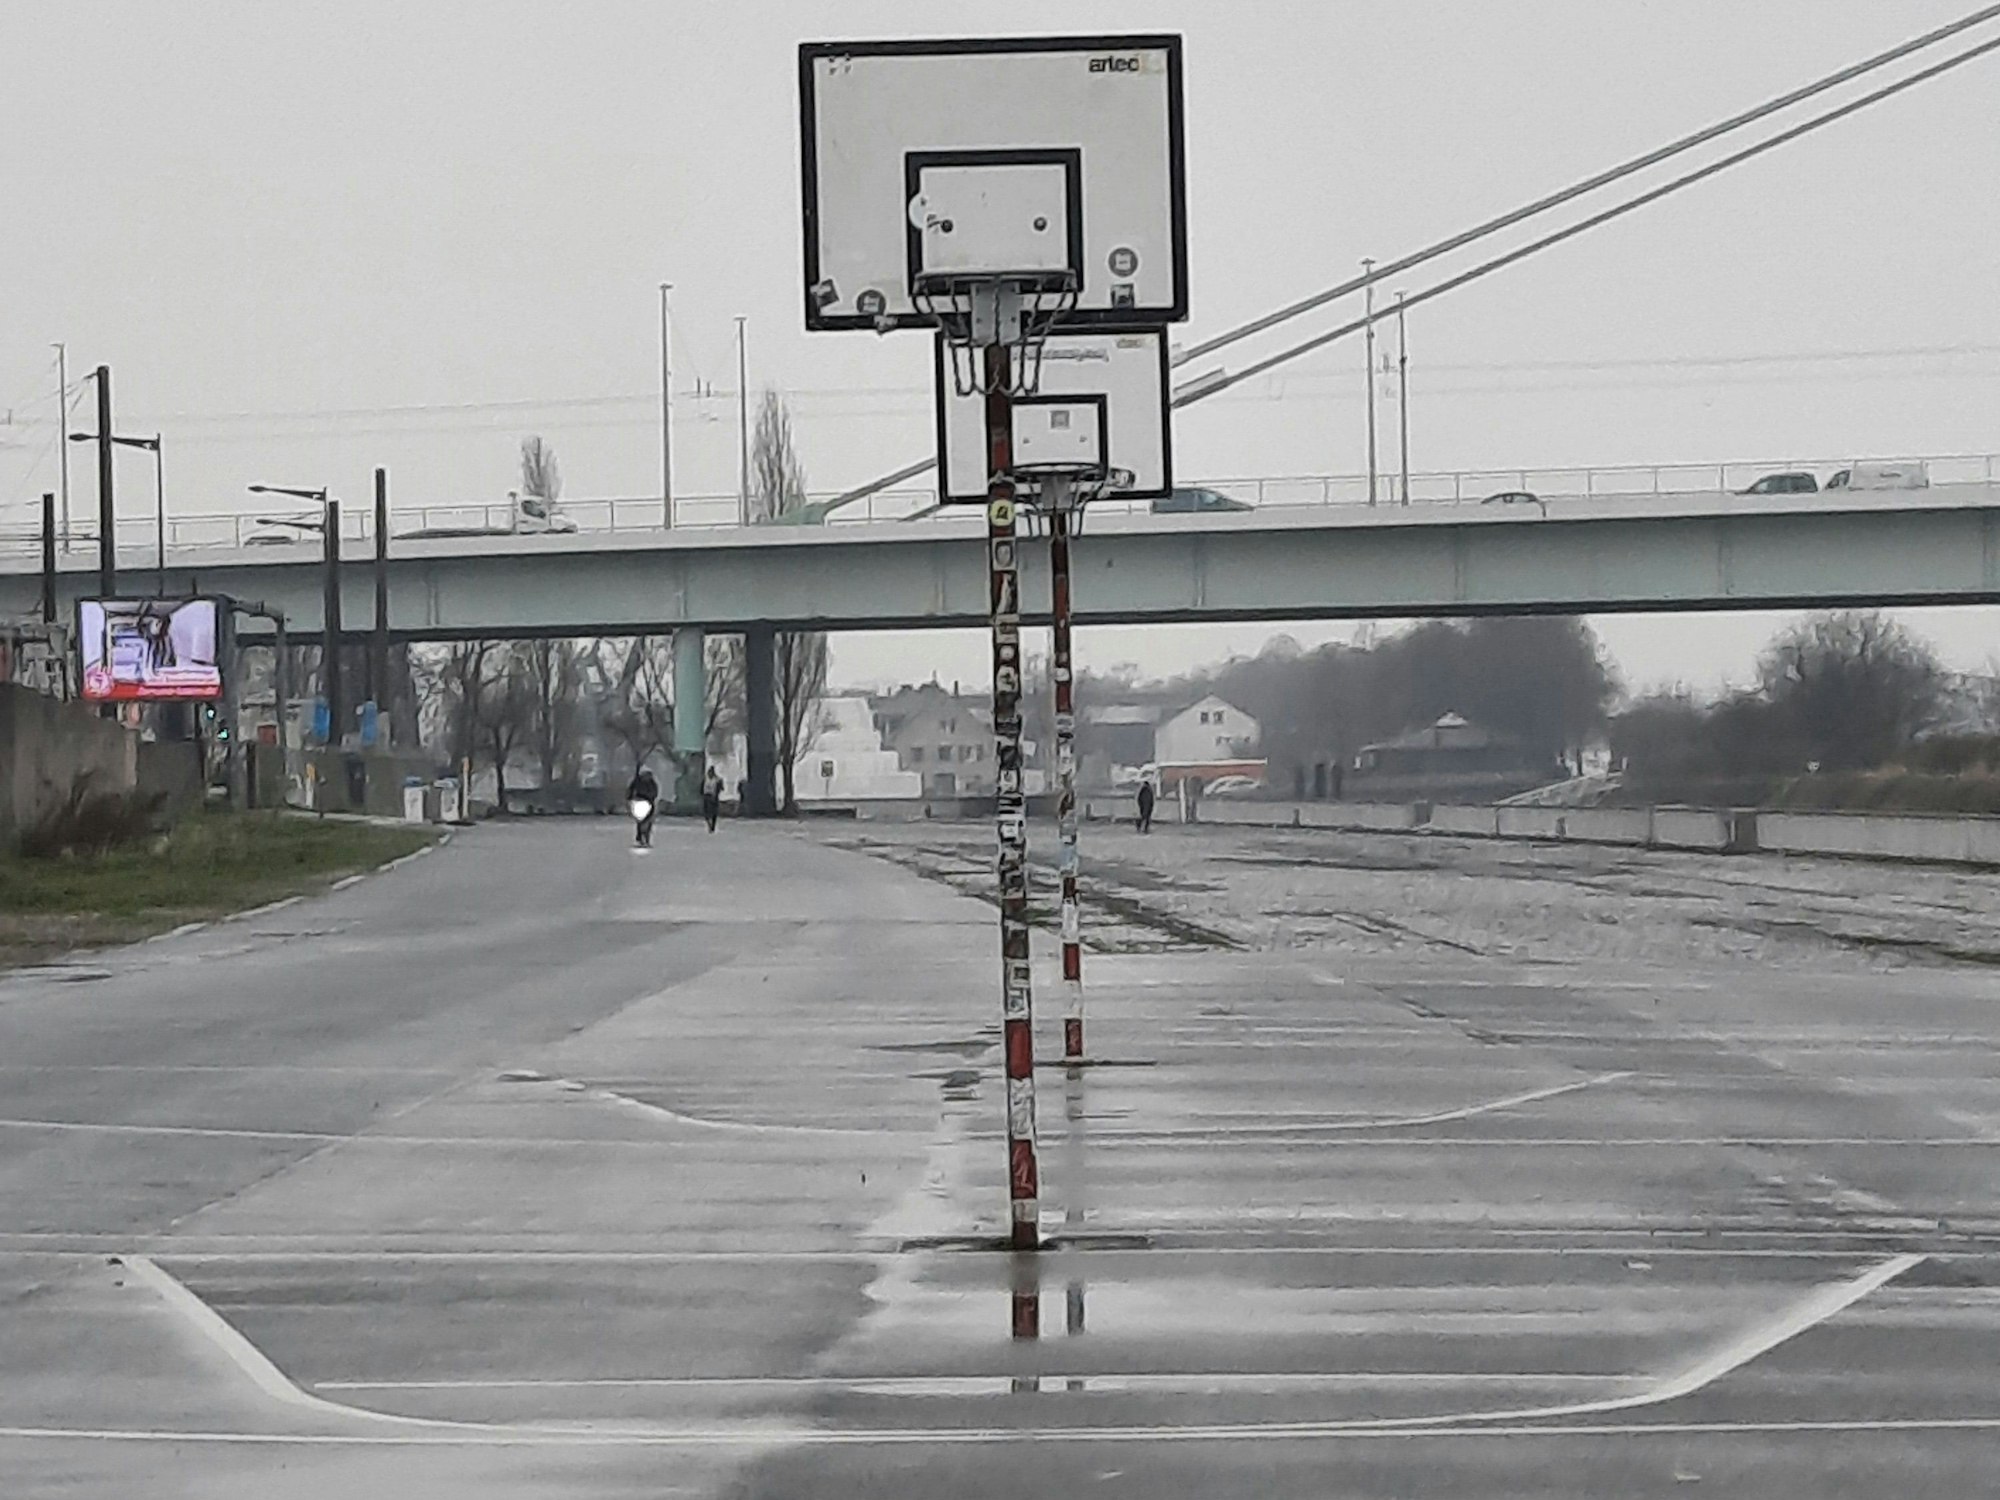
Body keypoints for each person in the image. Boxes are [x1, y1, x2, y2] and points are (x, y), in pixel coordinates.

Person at [627, 764, 660, 847]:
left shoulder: (652, 783)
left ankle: (646, 838)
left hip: (649, 802)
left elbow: (655, 792)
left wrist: (652, 798)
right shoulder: (637, 781)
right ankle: (640, 838)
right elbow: (630, 790)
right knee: (641, 822)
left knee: (648, 821)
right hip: (639, 801)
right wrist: (630, 799)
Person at [701, 766, 724, 833]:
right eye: (709, 773)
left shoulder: (717, 780)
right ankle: (709, 823)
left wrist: (720, 783)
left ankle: (712, 826)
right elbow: (701, 787)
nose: (709, 774)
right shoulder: (705, 779)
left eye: (711, 773)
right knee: (706, 812)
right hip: (706, 796)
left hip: (713, 797)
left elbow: (721, 788)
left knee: (714, 812)